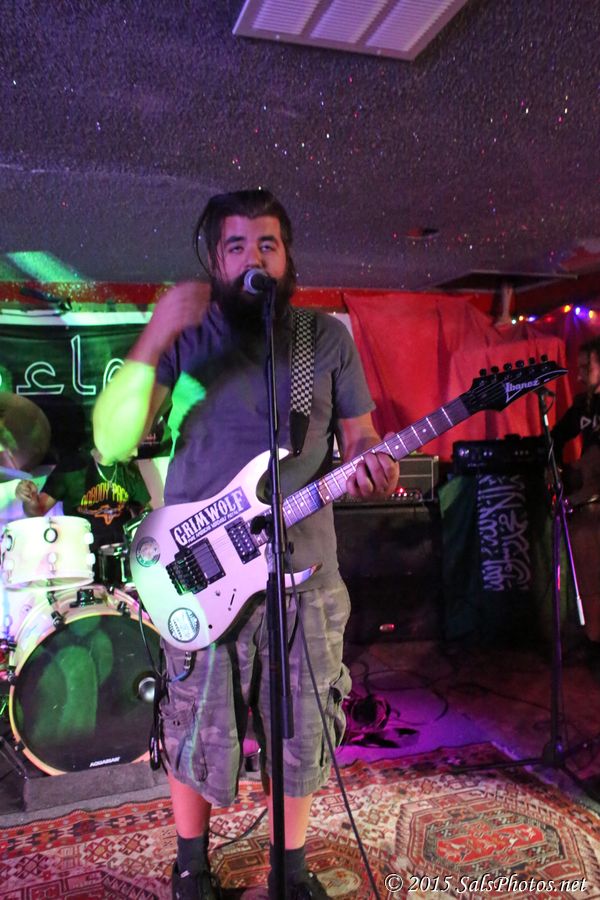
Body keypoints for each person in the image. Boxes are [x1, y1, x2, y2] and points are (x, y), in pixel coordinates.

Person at [92, 188, 399, 900]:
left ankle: (290, 871)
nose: (254, 257)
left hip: (305, 568)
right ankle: (191, 868)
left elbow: (360, 439)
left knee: (305, 723)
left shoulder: (323, 339)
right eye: (237, 246)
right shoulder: (189, 337)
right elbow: (111, 440)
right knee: (195, 718)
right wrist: (155, 333)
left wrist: (372, 464)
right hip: (201, 569)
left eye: (268, 243)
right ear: (214, 261)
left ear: (287, 257)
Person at [15, 446, 151, 572]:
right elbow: (37, 511)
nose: (135, 452)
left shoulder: (127, 467)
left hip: (122, 558)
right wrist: (30, 498)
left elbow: (145, 512)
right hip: (82, 558)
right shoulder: (71, 466)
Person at [552, 336, 600, 647]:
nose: (580, 375)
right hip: (590, 500)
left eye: (586, 368)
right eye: (579, 368)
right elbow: (555, 437)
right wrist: (558, 469)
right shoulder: (583, 405)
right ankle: (593, 637)